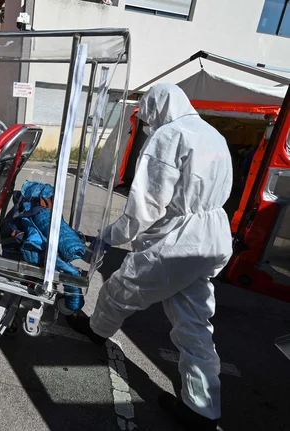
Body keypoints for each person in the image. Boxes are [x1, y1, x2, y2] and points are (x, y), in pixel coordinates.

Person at [67, 84, 233, 431]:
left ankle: (97, 330)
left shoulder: (170, 136)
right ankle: (204, 409)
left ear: (158, 108)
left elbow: (146, 206)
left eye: (146, 115)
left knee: (120, 287)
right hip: (212, 237)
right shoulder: (211, 134)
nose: (145, 123)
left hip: (179, 242)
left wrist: (110, 237)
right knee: (195, 324)